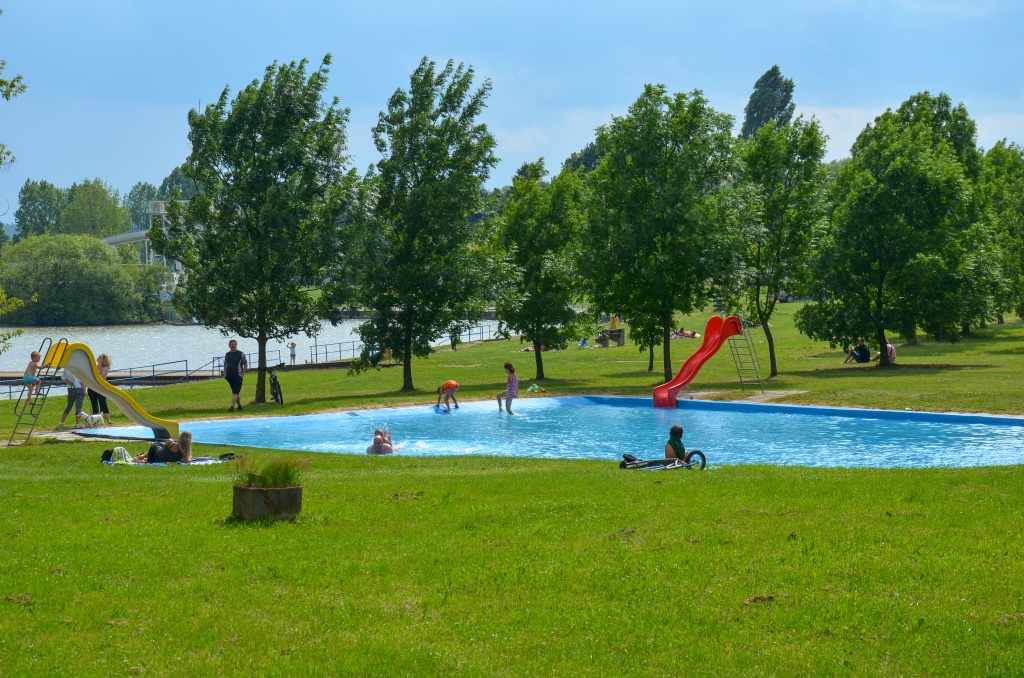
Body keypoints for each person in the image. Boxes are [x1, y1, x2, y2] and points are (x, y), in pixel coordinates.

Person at [88, 353, 114, 425]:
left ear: (103, 360)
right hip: (92, 388)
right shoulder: (94, 367)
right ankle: (96, 421)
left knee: (103, 404)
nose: (98, 358)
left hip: (101, 388)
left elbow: (101, 378)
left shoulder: (105, 368)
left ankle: (108, 420)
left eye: (100, 357)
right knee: (94, 405)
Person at [223, 340, 248, 412]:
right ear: (229, 345)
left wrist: (242, 374)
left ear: (236, 345)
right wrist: (225, 373)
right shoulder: (227, 354)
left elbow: (245, 364)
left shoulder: (240, 354)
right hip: (229, 376)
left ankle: (232, 407)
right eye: (232, 344)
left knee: (235, 392)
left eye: (234, 344)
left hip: (238, 376)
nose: (233, 345)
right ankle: (239, 406)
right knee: (235, 392)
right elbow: (225, 364)